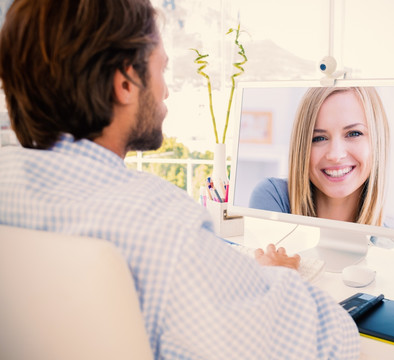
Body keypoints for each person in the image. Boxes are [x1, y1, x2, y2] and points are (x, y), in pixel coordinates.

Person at [0, 1, 361, 359]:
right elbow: (330, 343)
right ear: (125, 83)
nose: (166, 93)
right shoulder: (163, 228)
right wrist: (274, 279)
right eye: (162, 70)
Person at [250, 86, 389, 226]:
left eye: (354, 133)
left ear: (378, 141)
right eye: (319, 138)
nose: (335, 155)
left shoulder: (390, 244)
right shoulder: (273, 199)